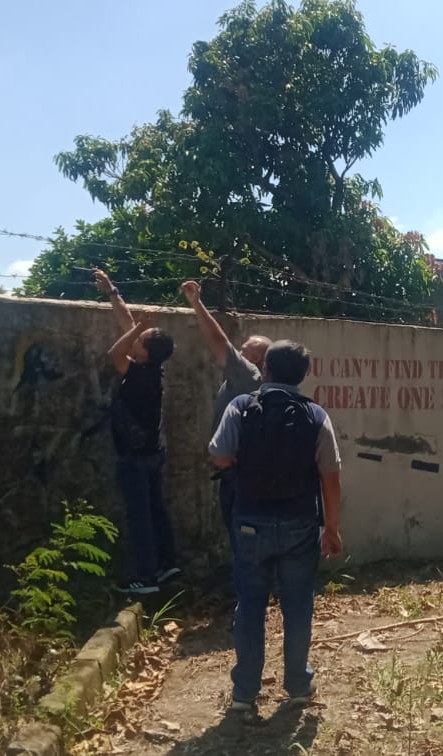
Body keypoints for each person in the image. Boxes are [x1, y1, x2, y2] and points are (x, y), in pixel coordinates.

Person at [207, 340, 343, 718]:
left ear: (264, 369)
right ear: (304, 374)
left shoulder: (241, 406)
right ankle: (298, 688)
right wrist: (331, 528)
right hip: (300, 525)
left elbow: (217, 453)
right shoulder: (315, 415)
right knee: (298, 607)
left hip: (250, 521)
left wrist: (240, 464)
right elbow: (330, 476)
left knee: (250, 607)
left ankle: (244, 695)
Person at [95, 269, 180, 595]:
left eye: (139, 340)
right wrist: (112, 291)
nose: (134, 339)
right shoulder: (151, 369)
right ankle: (167, 564)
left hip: (136, 456)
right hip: (152, 452)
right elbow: (128, 325)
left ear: (144, 350)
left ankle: (145, 578)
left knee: (140, 516)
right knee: (156, 509)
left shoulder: (141, 374)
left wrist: (140, 328)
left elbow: (113, 354)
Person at [178, 279, 269, 546]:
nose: (239, 352)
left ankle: (249, 584)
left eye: (245, 351)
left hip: (238, 474)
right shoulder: (248, 380)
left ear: (258, 360)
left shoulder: (249, 376)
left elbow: (219, 342)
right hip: (245, 472)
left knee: (242, 534)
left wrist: (196, 303)